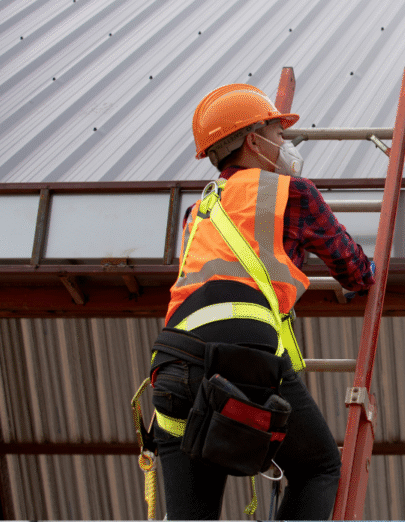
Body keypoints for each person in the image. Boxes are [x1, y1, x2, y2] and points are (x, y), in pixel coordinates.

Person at [148, 83, 374, 519]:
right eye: (277, 134)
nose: (284, 144)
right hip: (241, 358)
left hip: (173, 369)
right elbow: (356, 271)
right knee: (320, 467)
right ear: (254, 141)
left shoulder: (199, 212)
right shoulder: (292, 193)